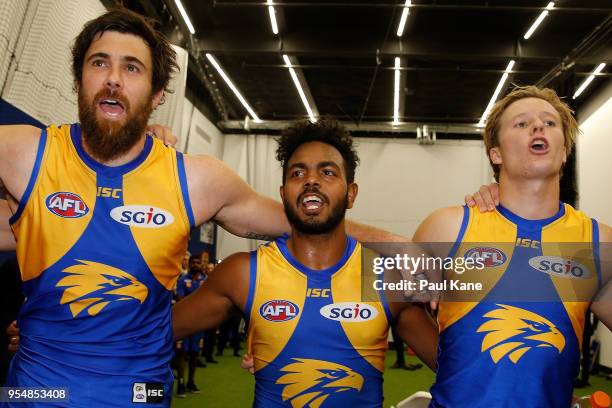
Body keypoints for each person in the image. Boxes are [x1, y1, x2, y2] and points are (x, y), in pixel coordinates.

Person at [0, 7, 463, 407]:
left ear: (158, 95)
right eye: (99, 63)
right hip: (37, 390)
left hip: (137, 393)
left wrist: (411, 251)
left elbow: (513, 287)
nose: (114, 78)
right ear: (80, 76)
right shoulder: (25, 153)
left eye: (133, 68)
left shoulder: (196, 179)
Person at [173, 120, 440, 406]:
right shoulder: (244, 274)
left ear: (351, 194)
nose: (311, 180)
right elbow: (150, 333)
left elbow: (461, 371)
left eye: (327, 172)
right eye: (298, 172)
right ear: (283, 192)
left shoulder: (385, 277)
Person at [413, 85, 612, 407]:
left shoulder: (598, 242)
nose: (538, 127)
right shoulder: (447, 227)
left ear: (564, 151)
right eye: (521, 123)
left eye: (549, 123)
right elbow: (397, 312)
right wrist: (453, 367)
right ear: (496, 153)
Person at [175, 255, 206, 397]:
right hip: (184, 323)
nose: (195, 264)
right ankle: (180, 384)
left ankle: (191, 382)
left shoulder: (205, 281)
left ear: (201, 264)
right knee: (182, 354)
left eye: (197, 262)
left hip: (199, 324)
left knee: (195, 354)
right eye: (192, 262)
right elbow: (181, 299)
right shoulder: (183, 280)